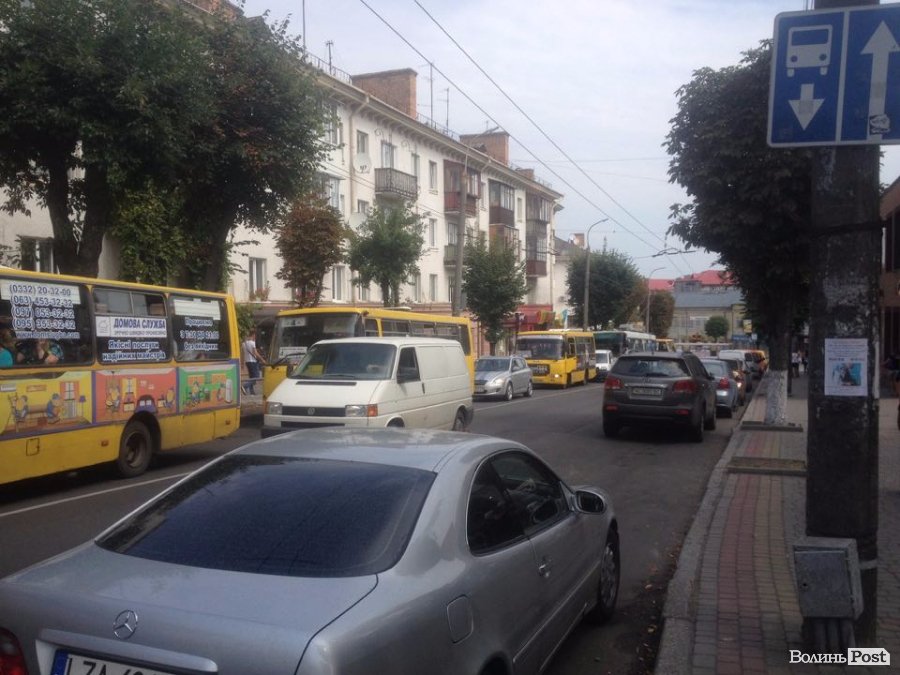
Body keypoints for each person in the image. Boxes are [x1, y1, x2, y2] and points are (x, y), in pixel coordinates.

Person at [241, 329, 266, 394]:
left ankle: (252, 392)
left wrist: (242, 364)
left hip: (247, 362)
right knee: (256, 377)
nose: (255, 337)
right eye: (255, 335)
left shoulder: (244, 344)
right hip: (253, 362)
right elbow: (255, 353)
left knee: (251, 377)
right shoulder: (252, 343)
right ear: (253, 335)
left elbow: (242, 355)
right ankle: (245, 386)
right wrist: (262, 360)